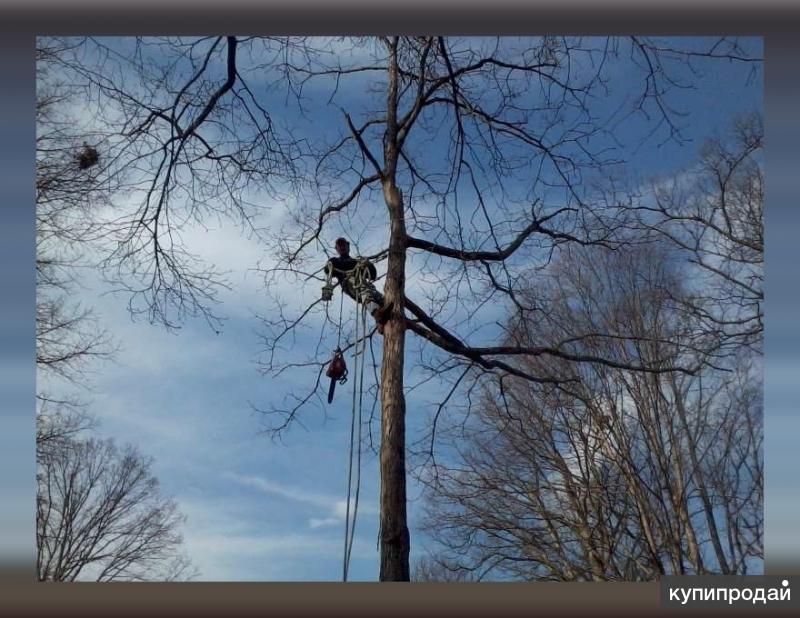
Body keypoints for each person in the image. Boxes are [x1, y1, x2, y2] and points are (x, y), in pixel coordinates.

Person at [325, 238, 387, 333]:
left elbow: (373, 275)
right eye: (339, 245)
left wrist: (369, 265)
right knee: (361, 287)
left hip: (366, 286)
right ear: (336, 249)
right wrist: (356, 264)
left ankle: (382, 322)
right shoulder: (335, 261)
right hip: (351, 285)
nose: (342, 247)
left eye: (344, 245)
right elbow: (328, 270)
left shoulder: (358, 261)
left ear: (348, 246)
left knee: (381, 299)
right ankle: (376, 314)